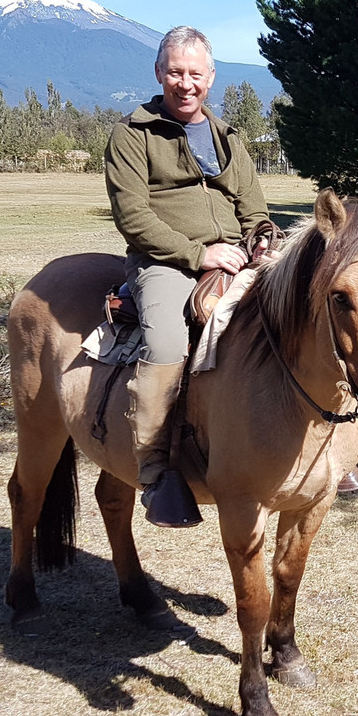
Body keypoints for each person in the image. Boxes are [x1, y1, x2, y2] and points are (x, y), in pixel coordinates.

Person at [105, 26, 269, 527]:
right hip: (165, 263)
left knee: (301, 314)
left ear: (211, 77)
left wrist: (261, 238)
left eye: (195, 73)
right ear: (159, 74)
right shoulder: (132, 134)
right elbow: (132, 216)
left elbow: (253, 205)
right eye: (175, 72)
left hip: (237, 256)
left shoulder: (226, 137)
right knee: (166, 342)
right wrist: (199, 254)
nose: (186, 83)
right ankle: (155, 469)